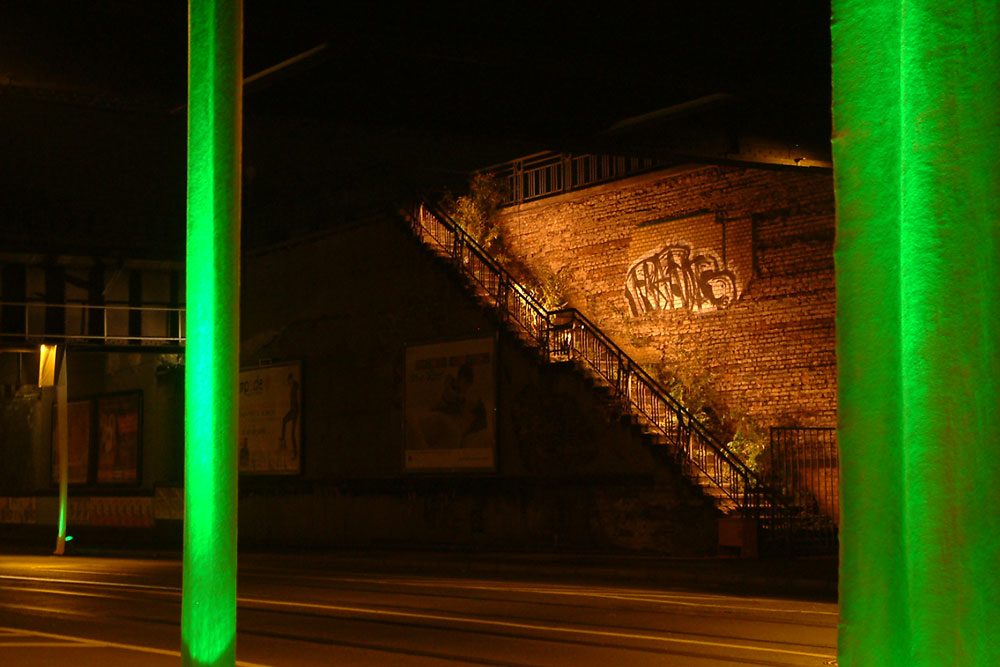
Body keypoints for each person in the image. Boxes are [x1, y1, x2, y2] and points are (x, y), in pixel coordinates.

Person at [279, 373, 300, 458]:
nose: (288, 382)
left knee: (292, 433)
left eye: (289, 380)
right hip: (293, 410)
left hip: (295, 410)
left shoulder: (295, 386)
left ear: (291, 379)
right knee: (284, 421)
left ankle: (295, 452)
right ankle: (283, 439)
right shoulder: (292, 387)